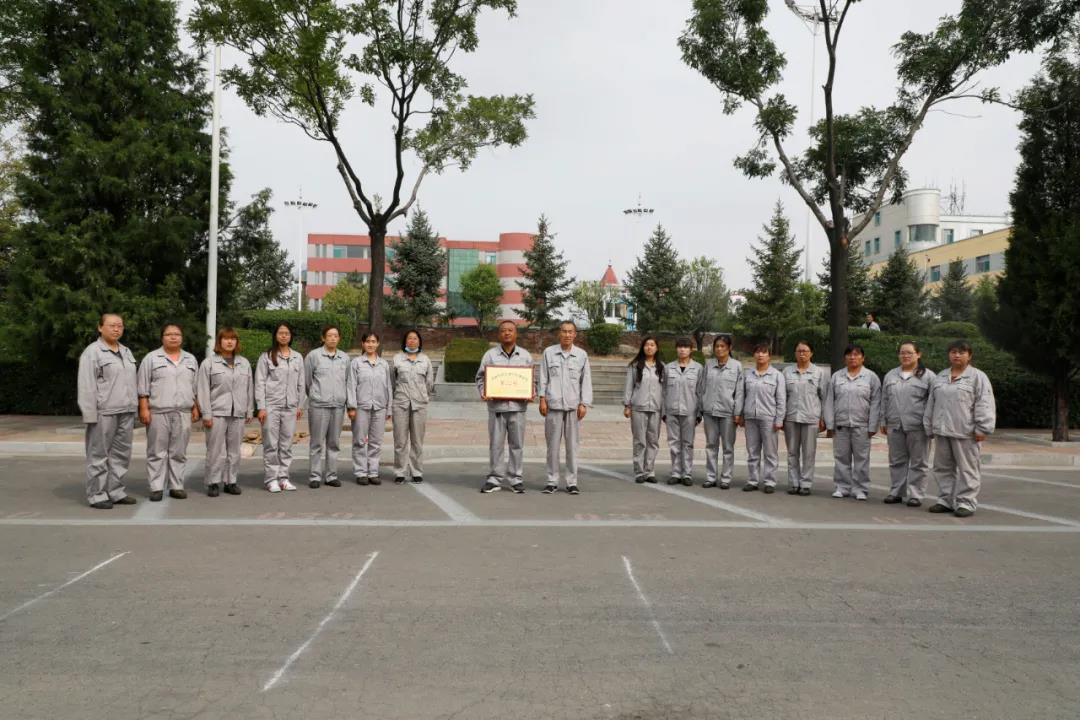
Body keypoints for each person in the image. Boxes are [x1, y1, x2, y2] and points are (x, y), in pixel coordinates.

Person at [924, 340, 996, 518]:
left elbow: (985, 403)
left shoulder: (978, 377)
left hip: (966, 432)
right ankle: (945, 500)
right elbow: (931, 402)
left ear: (969, 356)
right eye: (953, 352)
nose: (957, 355)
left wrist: (982, 428)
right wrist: (929, 425)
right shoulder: (941, 376)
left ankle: (966, 502)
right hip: (942, 430)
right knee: (942, 468)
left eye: (961, 352)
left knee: (967, 469)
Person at [77, 313, 139, 509]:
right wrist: (90, 414)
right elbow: (86, 385)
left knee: (121, 455)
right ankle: (97, 495)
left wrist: (135, 408)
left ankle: (115, 491)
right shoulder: (92, 352)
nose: (116, 329)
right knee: (98, 455)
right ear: (100, 327)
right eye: (112, 325)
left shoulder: (126, 351)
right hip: (104, 412)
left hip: (126, 411)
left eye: (120, 326)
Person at [137, 323, 200, 502]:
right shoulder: (151, 358)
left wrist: (195, 407)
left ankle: (176, 486)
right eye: (169, 334)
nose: (173, 337)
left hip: (183, 412)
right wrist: (143, 408)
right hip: (158, 411)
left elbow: (194, 386)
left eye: (177, 334)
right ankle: (156, 487)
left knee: (178, 452)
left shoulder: (190, 359)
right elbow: (142, 386)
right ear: (162, 337)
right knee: (157, 451)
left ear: (182, 338)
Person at [477, 320, 536, 493]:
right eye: (503, 330)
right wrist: (484, 391)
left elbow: (532, 379)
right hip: (497, 407)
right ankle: (495, 478)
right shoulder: (490, 355)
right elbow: (480, 377)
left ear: (516, 334)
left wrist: (531, 392)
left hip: (518, 408)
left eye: (510, 330)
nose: (507, 333)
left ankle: (515, 478)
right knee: (496, 444)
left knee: (517, 445)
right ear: (499, 334)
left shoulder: (525, 356)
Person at [538, 321, 594, 494]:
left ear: (575, 334)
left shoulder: (581, 355)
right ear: (559, 333)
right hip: (553, 405)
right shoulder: (549, 353)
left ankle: (571, 482)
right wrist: (542, 399)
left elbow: (586, 380)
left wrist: (584, 403)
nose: (567, 335)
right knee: (552, 447)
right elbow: (543, 377)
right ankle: (552, 481)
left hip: (573, 407)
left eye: (570, 332)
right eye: (564, 331)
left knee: (572, 447)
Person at [196, 327, 252, 497]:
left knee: (234, 450)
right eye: (226, 338)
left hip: (238, 413)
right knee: (215, 451)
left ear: (237, 342)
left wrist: (249, 410)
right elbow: (203, 389)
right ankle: (213, 482)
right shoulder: (209, 363)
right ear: (219, 341)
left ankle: (230, 481)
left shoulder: (244, 363)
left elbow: (249, 388)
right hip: (217, 413)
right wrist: (206, 413)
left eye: (233, 339)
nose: (229, 342)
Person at [880, 341, 936, 507]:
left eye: (909, 353)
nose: (905, 356)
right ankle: (896, 492)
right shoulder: (891, 375)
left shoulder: (928, 376)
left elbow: (933, 402)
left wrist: (930, 425)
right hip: (895, 424)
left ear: (918, 354)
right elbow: (884, 399)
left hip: (918, 426)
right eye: (902, 353)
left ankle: (916, 495)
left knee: (919, 462)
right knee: (896, 461)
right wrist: (883, 420)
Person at [824, 344, 881, 501]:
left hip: (862, 426)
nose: (852, 357)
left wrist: (873, 425)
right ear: (845, 358)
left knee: (862, 459)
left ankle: (860, 489)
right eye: (849, 354)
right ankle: (842, 487)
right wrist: (830, 424)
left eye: (856, 354)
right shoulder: (837, 377)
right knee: (841, 458)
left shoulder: (871, 377)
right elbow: (829, 401)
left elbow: (876, 402)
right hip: (841, 425)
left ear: (863, 358)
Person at [255, 323, 306, 493]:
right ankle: (271, 479)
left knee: (286, 444)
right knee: (271, 444)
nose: (284, 336)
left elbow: (301, 383)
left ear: (291, 336)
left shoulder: (297, 357)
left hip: (290, 407)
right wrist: (261, 407)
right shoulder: (267, 356)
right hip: (271, 406)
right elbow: (260, 382)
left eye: (287, 333)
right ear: (275, 335)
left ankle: (283, 478)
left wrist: (299, 405)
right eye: (280, 333)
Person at [305, 325, 350, 489]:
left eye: (335, 336)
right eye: (329, 335)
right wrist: (316, 395)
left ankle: (331, 476)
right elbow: (307, 382)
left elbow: (347, 381)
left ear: (339, 338)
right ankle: (315, 476)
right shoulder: (313, 356)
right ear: (323, 338)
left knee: (334, 443)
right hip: (319, 405)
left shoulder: (344, 358)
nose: (332, 338)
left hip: (338, 406)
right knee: (316, 443)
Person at [739, 342, 786, 493]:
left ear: (769, 356)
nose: (760, 355)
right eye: (758, 352)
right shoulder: (748, 374)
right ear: (754, 355)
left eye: (764, 352)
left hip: (769, 418)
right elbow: (742, 396)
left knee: (770, 452)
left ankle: (770, 481)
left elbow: (781, 399)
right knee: (752, 451)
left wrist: (779, 419)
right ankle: (752, 480)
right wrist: (741, 415)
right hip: (750, 417)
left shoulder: (777, 375)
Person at [347, 331, 393, 486]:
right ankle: (361, 472)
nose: (370, 344)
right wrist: (351, 407)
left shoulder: (384, 364)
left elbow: (388, 387)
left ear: (378, 344)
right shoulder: (356, 363)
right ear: (362, 344)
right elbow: (351, 385)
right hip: (361, 407)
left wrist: (389, 408)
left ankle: (373, 472)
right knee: (359, 441)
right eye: (367, 341)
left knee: (376, 441)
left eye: (373, 341)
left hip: (380, 407)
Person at [782, 340, 826, 496]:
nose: (802, 354)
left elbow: (824, 397)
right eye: (799, 351)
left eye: (805, 351)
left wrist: (823, 418)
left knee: (808, 453)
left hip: (811, 418)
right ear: (795, 353)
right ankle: (794, 483)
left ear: (811, 353)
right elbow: (782, 396)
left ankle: (806, 483)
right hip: (791, 417)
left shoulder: (819, 372)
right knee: (792, 452)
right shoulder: (787, 372)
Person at [391, 329, 435, 484]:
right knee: (400, 440)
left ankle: (416, 471)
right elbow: (392, 382)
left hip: (419, 405)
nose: (412, 341)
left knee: (417, 440)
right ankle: (400, 471)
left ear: (419, 341)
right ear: (405, 341)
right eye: (409, 338)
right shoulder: (397, 359)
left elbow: (429, 383)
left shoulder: (425, 360)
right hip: (400, 404)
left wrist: (422, 396)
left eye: (415, 338)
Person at [701, 334, 743, 489]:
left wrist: (737, 412)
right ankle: (711, 477)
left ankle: (726, 478)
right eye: (717, 346)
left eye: (722, 346)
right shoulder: (708, 364)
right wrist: (702, 407)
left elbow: (739, 392)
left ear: (729, 348)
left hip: (728, 413)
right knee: (711, 445)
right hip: (709, 412)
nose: (719, 349)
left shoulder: (737, 366)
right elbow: (702, 387)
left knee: (728, 447)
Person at [662, 337, 705, 486]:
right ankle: (675, 473)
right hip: (672, 411)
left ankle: (687, 473)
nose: (682, 350)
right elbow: (664, 391)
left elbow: (700, 391)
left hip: (690, 412)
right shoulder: (668, 368)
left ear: (691, 350)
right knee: (674, 443)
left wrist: (699, 413)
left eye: (686, 347)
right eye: (680, 347)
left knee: (688, 443)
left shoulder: (698, 368)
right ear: (676, 349)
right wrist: (664, 412)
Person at [623, 337, 664, 484]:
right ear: (643, 347)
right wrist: (627, 405)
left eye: (652, 345)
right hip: (638, 407)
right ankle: (639, 471)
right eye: (647, 345)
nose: (649, 347)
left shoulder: (661, 367)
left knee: (653, 441)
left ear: (657, 348)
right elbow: (629, 386)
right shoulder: (635, 366)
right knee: (640, 441)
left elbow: (664, 389)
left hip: (656, 408)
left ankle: (649, 471)